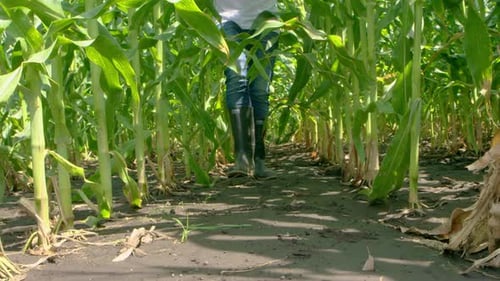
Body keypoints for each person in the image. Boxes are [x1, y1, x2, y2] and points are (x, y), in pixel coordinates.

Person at [213, 0, 279, 179]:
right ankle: (242, 158)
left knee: (259, 88)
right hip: (227, 21)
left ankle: (259, 159)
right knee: (237, 77)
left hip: (266, 21)